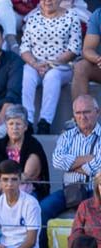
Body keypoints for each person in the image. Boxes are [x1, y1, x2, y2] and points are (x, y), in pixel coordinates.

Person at [20, 0, 80, 134]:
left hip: (62, 66)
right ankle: (27, 121)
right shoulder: (32, 18)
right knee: (27, 73)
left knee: (52, 76)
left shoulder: (72, 17)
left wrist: (51, 64)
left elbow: (74, 49)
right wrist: (35, 64)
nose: (48, 1)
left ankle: (44, 123)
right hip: (37, 65)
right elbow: (24, 48)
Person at [0, 105, 49, 224]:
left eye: (18, 124)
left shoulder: (33, 146)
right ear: (6, 126)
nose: (14, 128)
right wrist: (5, 183)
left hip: (25, 191)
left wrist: (1, 184)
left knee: (20, 204)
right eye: (11, 124)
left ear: (25, 126)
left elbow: (27, 174)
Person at [46, 95, 101, 228]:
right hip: (69, 191)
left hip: (94, 192)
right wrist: (88, 159)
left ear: (97, 112)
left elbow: (98, 166)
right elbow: (57, 161)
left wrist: (70, 166)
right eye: (78, 113)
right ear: (74, 115)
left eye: (87, 112)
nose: (82, 117)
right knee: (42, 209)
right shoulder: (67, 136)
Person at [72, 4, 101, 100]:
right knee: (81, 67)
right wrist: (98, 59)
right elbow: (87, 50)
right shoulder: (98, 14)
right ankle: (80, 112)